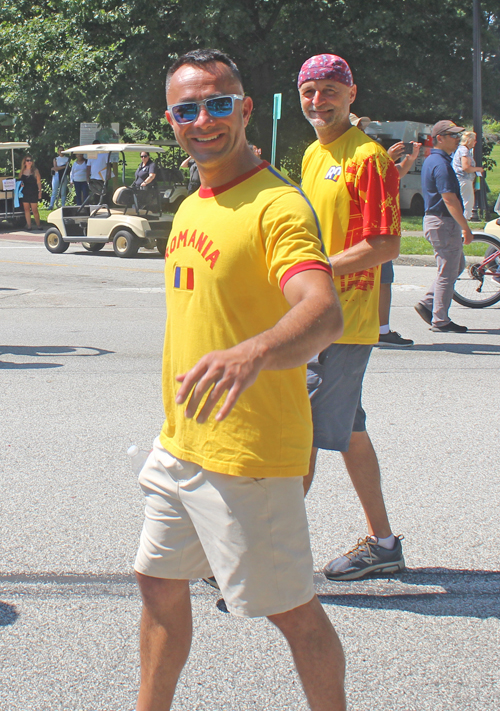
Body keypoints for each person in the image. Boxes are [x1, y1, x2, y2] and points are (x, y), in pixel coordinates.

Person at [134, 49, 346, 711]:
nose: (203, 120)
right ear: (170, 119)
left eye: (218, 104)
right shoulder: (195, 200)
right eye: (187, 109)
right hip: (181, 443)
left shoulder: (275, 205)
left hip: (248, 455)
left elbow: (321, 308)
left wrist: (252, 352)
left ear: (246, 109)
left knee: (292, 612)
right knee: (157, 583)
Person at [298, 53, 405, 580]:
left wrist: (319, 268)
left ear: (351, 93)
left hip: (344, 321)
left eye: (328, 91)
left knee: (300, 435)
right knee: (350, 431)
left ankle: (271, 555)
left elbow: (385, 244)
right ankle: (384, 545)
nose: (318, 101)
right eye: (310, 92)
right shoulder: (315, 155)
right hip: (316, 313)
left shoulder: (369, 158)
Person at [415, 120, 473, 333]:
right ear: (439, 138)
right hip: (443, 221)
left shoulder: (435, 160)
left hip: (438, 221)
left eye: (458, 135)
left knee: (456, 266)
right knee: (448, 272)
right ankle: (440, 319)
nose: (457, 139)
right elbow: (449, 199)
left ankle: (428, 304)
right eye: (452, 135)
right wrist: (465, 227)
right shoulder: (441, 164)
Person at [376, 140, 422, 347]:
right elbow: (372, 179)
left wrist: (409, 159)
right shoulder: (357, 157)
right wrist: (386, 158)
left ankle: (381, 330)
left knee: (384, 281)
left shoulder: (374, 157)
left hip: (382, 230)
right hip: (368, 232)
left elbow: (396, 173)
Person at [452, 131, 484, 220]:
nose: (475, 142)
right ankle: (465, 219)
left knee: (464, 200)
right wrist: (478, 169)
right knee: (467, 201)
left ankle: (462, 219)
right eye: (474, 140)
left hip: (461, 179)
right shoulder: (464, 151)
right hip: (464, 179)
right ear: (469, 140)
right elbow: (466, 167)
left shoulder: (462, 150)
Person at [18, 155, 42, 231]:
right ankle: (29, 226)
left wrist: (40, 192)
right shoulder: (22, 171)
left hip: (33, 192)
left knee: (34, 210)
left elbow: (38, 182)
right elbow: (19, 181)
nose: (29, 162)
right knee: (26, 209)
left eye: (30, 160)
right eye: (27, 160)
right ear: (24, 162)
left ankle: (38, 225)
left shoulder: (35, 171)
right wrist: (20, 184)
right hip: (25, 192)